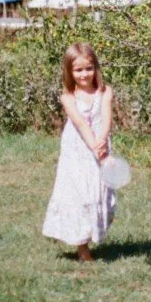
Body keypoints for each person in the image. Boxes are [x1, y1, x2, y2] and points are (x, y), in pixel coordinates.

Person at [42, 42, 116, 262]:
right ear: (69, 72)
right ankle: (82, 248)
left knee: (98, 193)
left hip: (100, 145)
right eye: (78, 70)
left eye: (89, 68)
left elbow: (106, 118)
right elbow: (81, 124)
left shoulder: (105, 91)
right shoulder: (68, 98)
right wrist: (95, 146)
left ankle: (92, 232)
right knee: (79, 196)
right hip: (78, 150)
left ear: (96, 68)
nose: (84, 74)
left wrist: (102, 140)